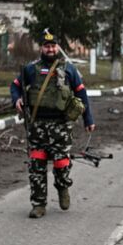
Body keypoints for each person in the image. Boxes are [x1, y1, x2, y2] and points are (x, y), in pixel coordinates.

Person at [11, 30, 95, 218]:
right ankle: (39, 205)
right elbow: (15, 86)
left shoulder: (69, 69)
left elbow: (81, 94)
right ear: (41, 47)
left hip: (61, 126)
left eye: (53, 46)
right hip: (37, 126)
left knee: (61, 162)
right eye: (47, 46)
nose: (50, 49)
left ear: (57, 47)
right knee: (37, 165)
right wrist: (16, 99)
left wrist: (88, 119)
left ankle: (63, 187)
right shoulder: (31, 69)